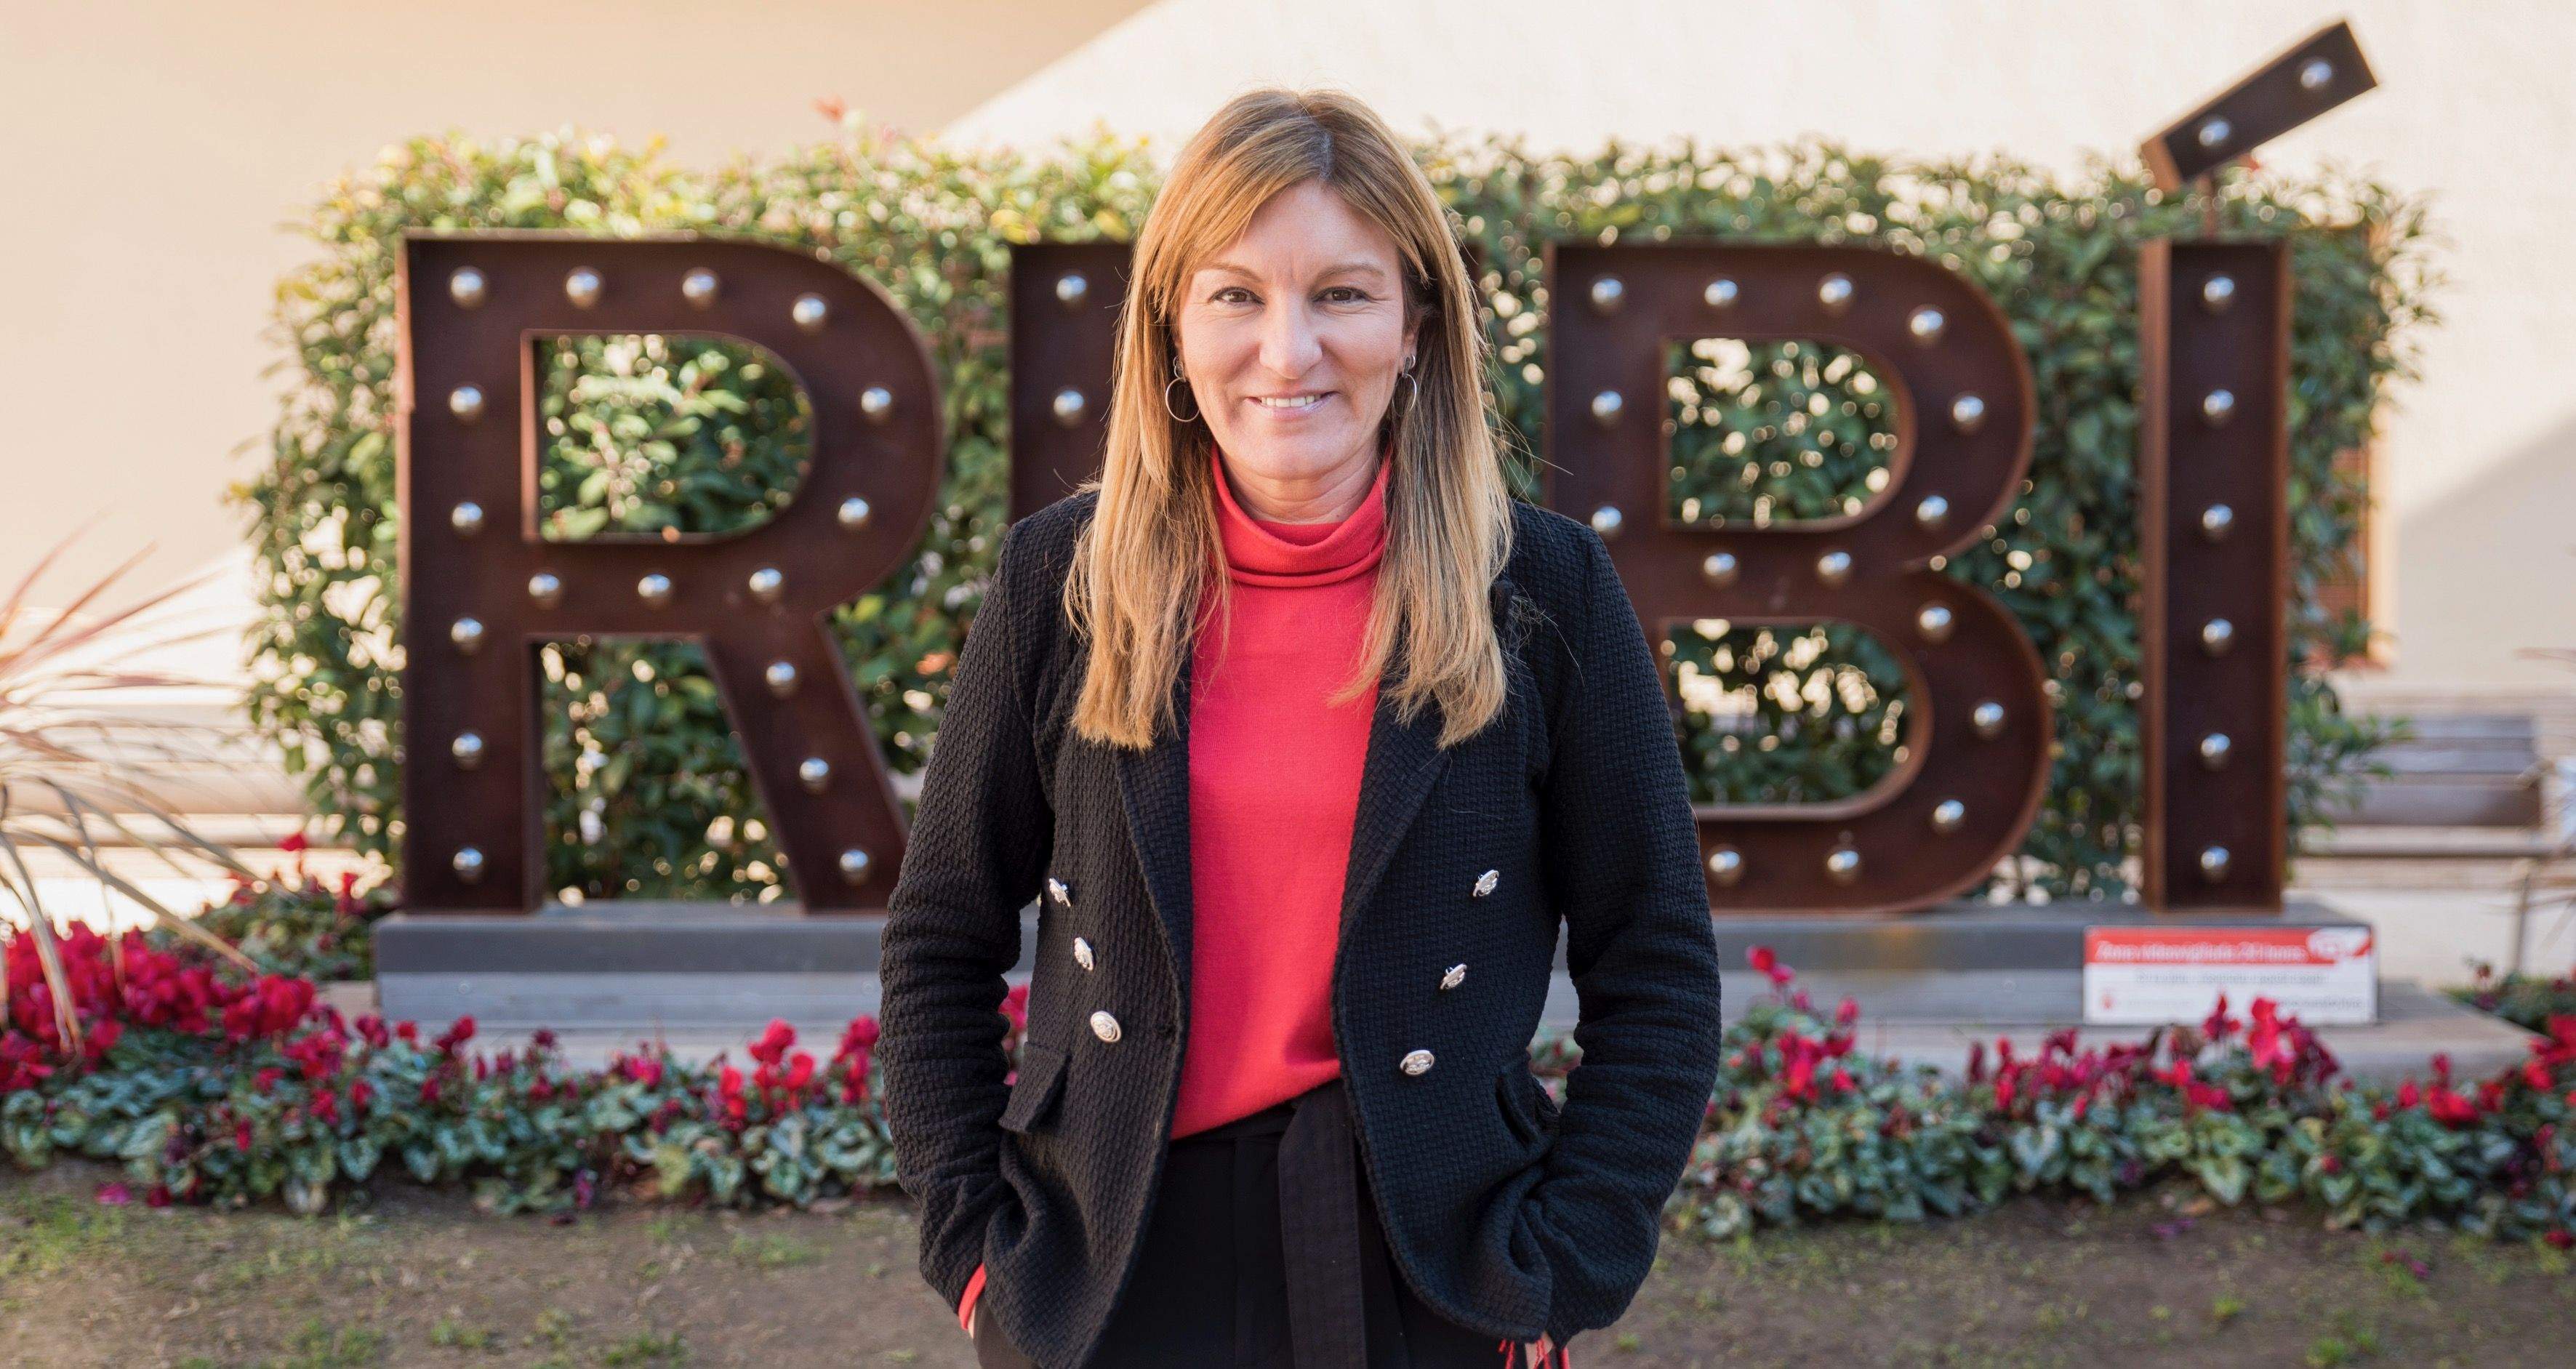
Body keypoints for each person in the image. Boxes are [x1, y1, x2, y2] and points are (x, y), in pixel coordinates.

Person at [877, 85, 1724, 1369]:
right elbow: (942, 934)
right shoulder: (1061, 581)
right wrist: (975, 1251)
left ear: (1415, 326)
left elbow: (1655, 961)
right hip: (1106, 1255)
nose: (1288, 353)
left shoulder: (1543, 594)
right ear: (1169, 330)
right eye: (1234, 296)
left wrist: (1563, 1268)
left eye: (1340, 293)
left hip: (1430, 1252)